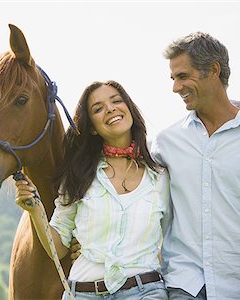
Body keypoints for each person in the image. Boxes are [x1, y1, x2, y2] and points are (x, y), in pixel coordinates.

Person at [15, 80, 171, 299]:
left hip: (145, 291)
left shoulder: (159, 177)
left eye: (116, 101)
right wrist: (35, 211)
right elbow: (57, 248)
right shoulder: (79, 176)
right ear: (93, 128)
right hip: (84, 292)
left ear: (130, 110)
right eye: (98, 109)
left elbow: (174, 239)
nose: (110, 108)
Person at [150, 32, 240, 299]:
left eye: (183, 76)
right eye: (173, 79)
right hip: (186, 284)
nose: (175, 87)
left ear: (214, 71)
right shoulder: (166, 142)